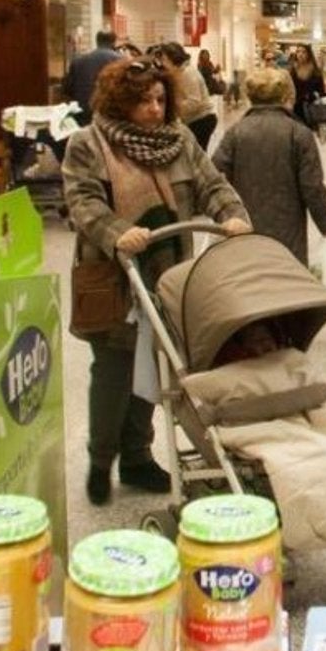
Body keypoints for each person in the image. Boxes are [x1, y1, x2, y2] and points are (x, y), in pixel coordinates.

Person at [63, 56, 252, 506]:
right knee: (112, 370)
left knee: (156, 365)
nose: (153, 108)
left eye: (160, 99)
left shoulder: (179, 139)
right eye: (143, 101)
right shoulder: (87, 144)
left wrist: (234, 215)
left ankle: (137, 457)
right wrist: (116, 232)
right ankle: (100, 458)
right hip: (113, 275)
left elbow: (212, 184)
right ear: (119, 102)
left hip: (167, 272)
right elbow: (82, 201)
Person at [212, 69, 326, 266]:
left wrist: (227, 217)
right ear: (285, 95)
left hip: (244, 231)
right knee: (285, 284)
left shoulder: (235, 133)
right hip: (287, 235)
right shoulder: (299, 134)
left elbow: (215, 179)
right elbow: (313, 188)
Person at [150, 42, 219, 152]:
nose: (162, 63)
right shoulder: (179, 72)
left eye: (164, 59)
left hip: (201, 120)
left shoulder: (188, 74)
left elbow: (194, 102)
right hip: (196, 119)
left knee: (194, 155)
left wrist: (175, 109)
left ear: (173, 58)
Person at [64, 31, 123, 119]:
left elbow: (67, 89)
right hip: (109, 115)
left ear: (97, 41)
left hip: (82, 113)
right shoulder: (121, 61)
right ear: (114, 42)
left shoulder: (78, 61)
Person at [289, 45, 326, 130]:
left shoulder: (315, 71)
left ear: (309, 54)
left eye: (303, 52)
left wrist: (314, 95)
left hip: (310, 107)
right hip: (295, 106)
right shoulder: (292, 70)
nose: (300, 54)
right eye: (298, 51)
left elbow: (322, 91)